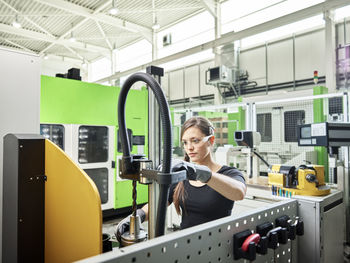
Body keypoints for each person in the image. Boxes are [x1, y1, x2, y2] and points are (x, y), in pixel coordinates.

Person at [116, 116, 246, 240]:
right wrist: (137, 216)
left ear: (211, 141)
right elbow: (158, 204)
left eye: (195, 141)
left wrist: (203, 173)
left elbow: (239, 192)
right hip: (186, 244)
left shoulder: (228, 173)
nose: (189, 148)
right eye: (185, 142)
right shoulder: (183, 174)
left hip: (216, 244)